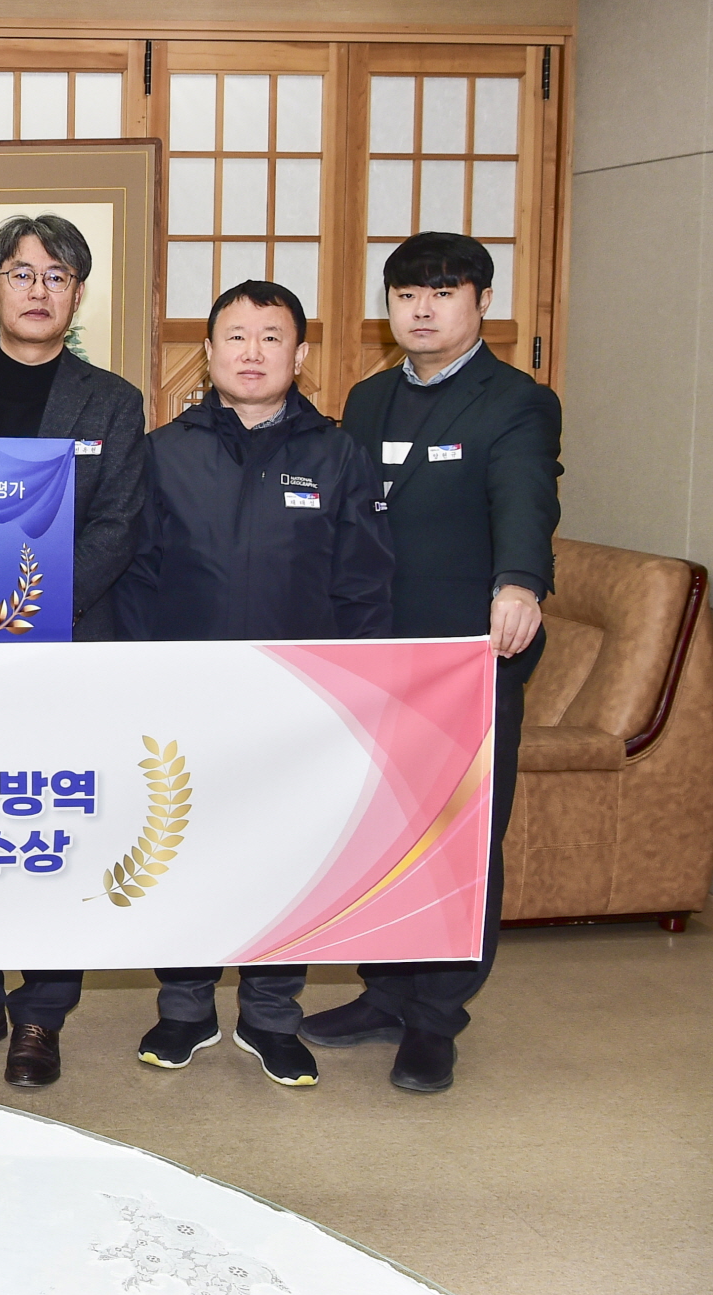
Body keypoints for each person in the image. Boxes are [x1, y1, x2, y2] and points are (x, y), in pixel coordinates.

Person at [113, 279, 395, 1087]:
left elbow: (364, 586)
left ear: (299, 355)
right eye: (235, 336)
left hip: (299, 706)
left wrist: (353, 698)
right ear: (207, 352)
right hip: (186, 697)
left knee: (286, 857)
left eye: (272, 337)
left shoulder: (337, 455)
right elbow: (137, 580)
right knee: (186, 848)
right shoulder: (165, 452)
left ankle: (272, 1014)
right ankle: (185, 1005)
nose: (252, 352)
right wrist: (140, 683)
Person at [301, 232, 561, 1093]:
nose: (423, 309)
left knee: (459, 835)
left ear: (482, 302)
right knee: (383, 828)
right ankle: (384, 991)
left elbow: (526, 497)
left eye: (444, 292)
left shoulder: (516, 401)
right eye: (407, 293)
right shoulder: (368, 398)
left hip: (468, 655)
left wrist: (520, 581)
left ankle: (437, 1015)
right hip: (377, 651)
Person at [0, 212, 148, 1088]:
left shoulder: (113, 400)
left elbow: (118, 524)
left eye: (56, 276)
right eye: (21, 273)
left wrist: (33, 610)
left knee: (56, 827)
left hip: (69, 645)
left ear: (77, 294)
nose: (37, 290)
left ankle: (44, 1009)